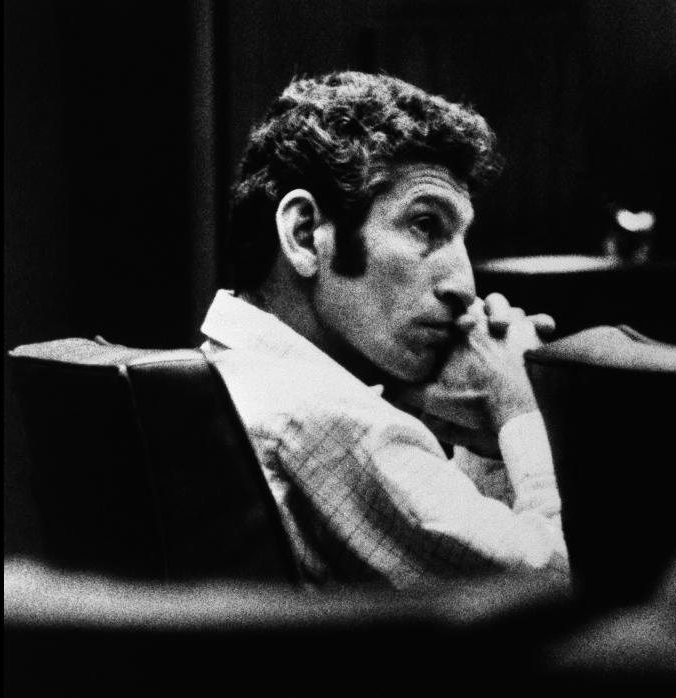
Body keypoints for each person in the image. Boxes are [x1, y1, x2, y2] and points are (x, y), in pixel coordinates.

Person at [199, 71, 570, 589]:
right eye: (425, 224)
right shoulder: (330, 419)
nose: (464, 285)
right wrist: (518, 403)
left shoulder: (234, 373)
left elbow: (448, 564)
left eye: (460, 238)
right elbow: (554, 592)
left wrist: (483, 445)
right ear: (305, 234)